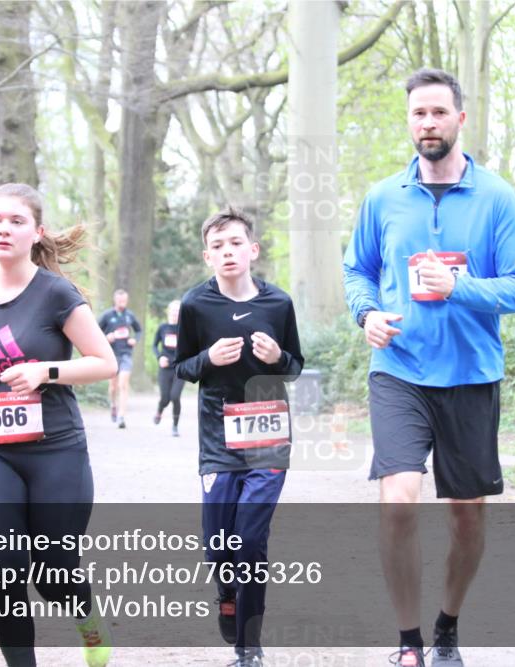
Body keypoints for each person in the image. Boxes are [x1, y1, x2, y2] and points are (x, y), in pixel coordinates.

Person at [342, 69, 515, 667]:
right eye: (418, 113)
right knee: (398, 501)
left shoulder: (497, 198)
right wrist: (367, 314)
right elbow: (357, 270)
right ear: (409, 122)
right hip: (398, 369)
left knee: (467, 520)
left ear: (460, 119)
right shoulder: (383, 198)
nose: (427, 123)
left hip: (471, 376)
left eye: (438, 112)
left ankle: (447, 627)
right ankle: (408, 643)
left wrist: (459, 286)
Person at [0, 183, 118, 667]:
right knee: (4, 572)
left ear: (36, 232)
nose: (4, 229)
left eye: (16, 221)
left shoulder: (56, 293)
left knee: (54, 574)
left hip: (57, 451)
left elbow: (105, 363)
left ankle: (87, 619)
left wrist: (47, 371)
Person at [174, 207, 303, 667]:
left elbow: (295, 366)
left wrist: (277, 357)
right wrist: (208, 358)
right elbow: (181, 368)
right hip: (218, 443)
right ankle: (227, 594)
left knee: (249, 542)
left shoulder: (278, 304)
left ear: (253, 250)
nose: (227, 252)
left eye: (235, 243)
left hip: (268, 437)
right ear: (207, 256)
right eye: (218, 246)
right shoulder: (195, 305)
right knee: (218, 548)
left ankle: (249, 648)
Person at [98, 289, 142, 429]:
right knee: (113, 387)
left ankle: (121, 416)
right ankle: (113, 405)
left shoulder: (130, 315)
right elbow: (95, 332)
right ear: (115, 300)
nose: (122, 302)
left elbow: (139, 330)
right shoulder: (107, 315)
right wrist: (106, 337)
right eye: (120, 300)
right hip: (111, 355)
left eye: (124, 300)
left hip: (126, 354)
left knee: (123, 384)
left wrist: (135, 339)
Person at [152, 299, 186, 436]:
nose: (175, 313)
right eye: (173, 310)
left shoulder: (184, 329)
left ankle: (175, 426)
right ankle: (159, 411)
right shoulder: (163, 328)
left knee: (175, 396)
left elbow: (191, 346)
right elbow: (154, 346)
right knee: (165, 398)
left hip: (179, 368)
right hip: (165, 368)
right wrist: (159, 357)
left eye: (178, 311)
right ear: (168, 312)